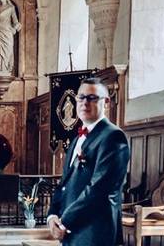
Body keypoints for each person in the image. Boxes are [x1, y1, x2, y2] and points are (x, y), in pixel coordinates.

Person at [45, 77, 130, 246]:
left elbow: (98, 189)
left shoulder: (113, 136)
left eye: (92, 98)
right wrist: (52, 215)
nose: (85, 102)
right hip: (72, 231)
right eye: (81, 97)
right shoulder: (77, 139)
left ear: (106, 102)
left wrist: (64, 221)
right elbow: (64, 183)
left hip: (95, 232)